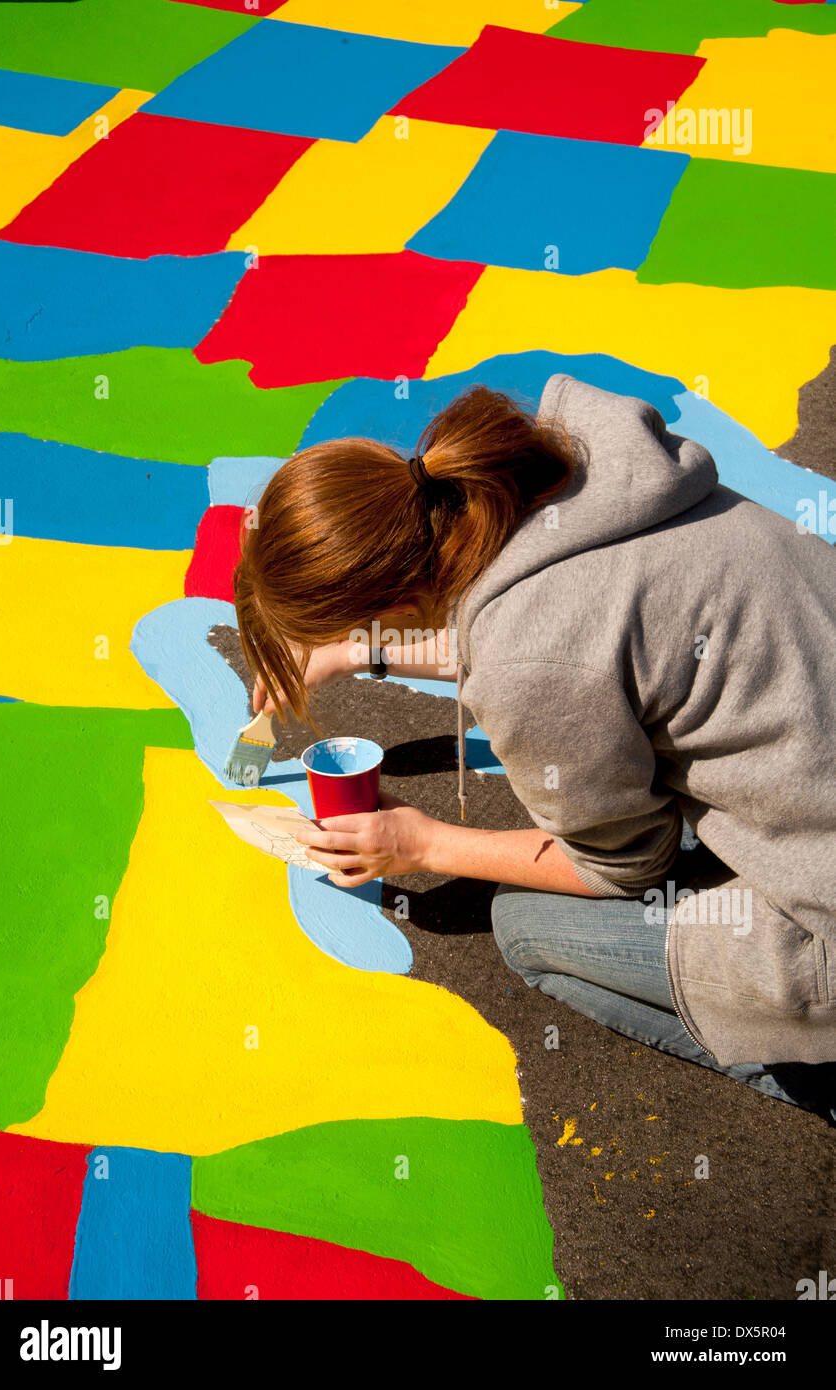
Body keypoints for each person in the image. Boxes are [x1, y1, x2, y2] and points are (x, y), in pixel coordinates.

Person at [234, 374, 836, 1121]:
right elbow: (576, 633)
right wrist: (366, 650)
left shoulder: (531, 660)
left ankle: (812, 1072)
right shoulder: (570, 476)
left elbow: (622, 866)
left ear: (390, 600)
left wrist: (419, 843)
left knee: (526, 928)